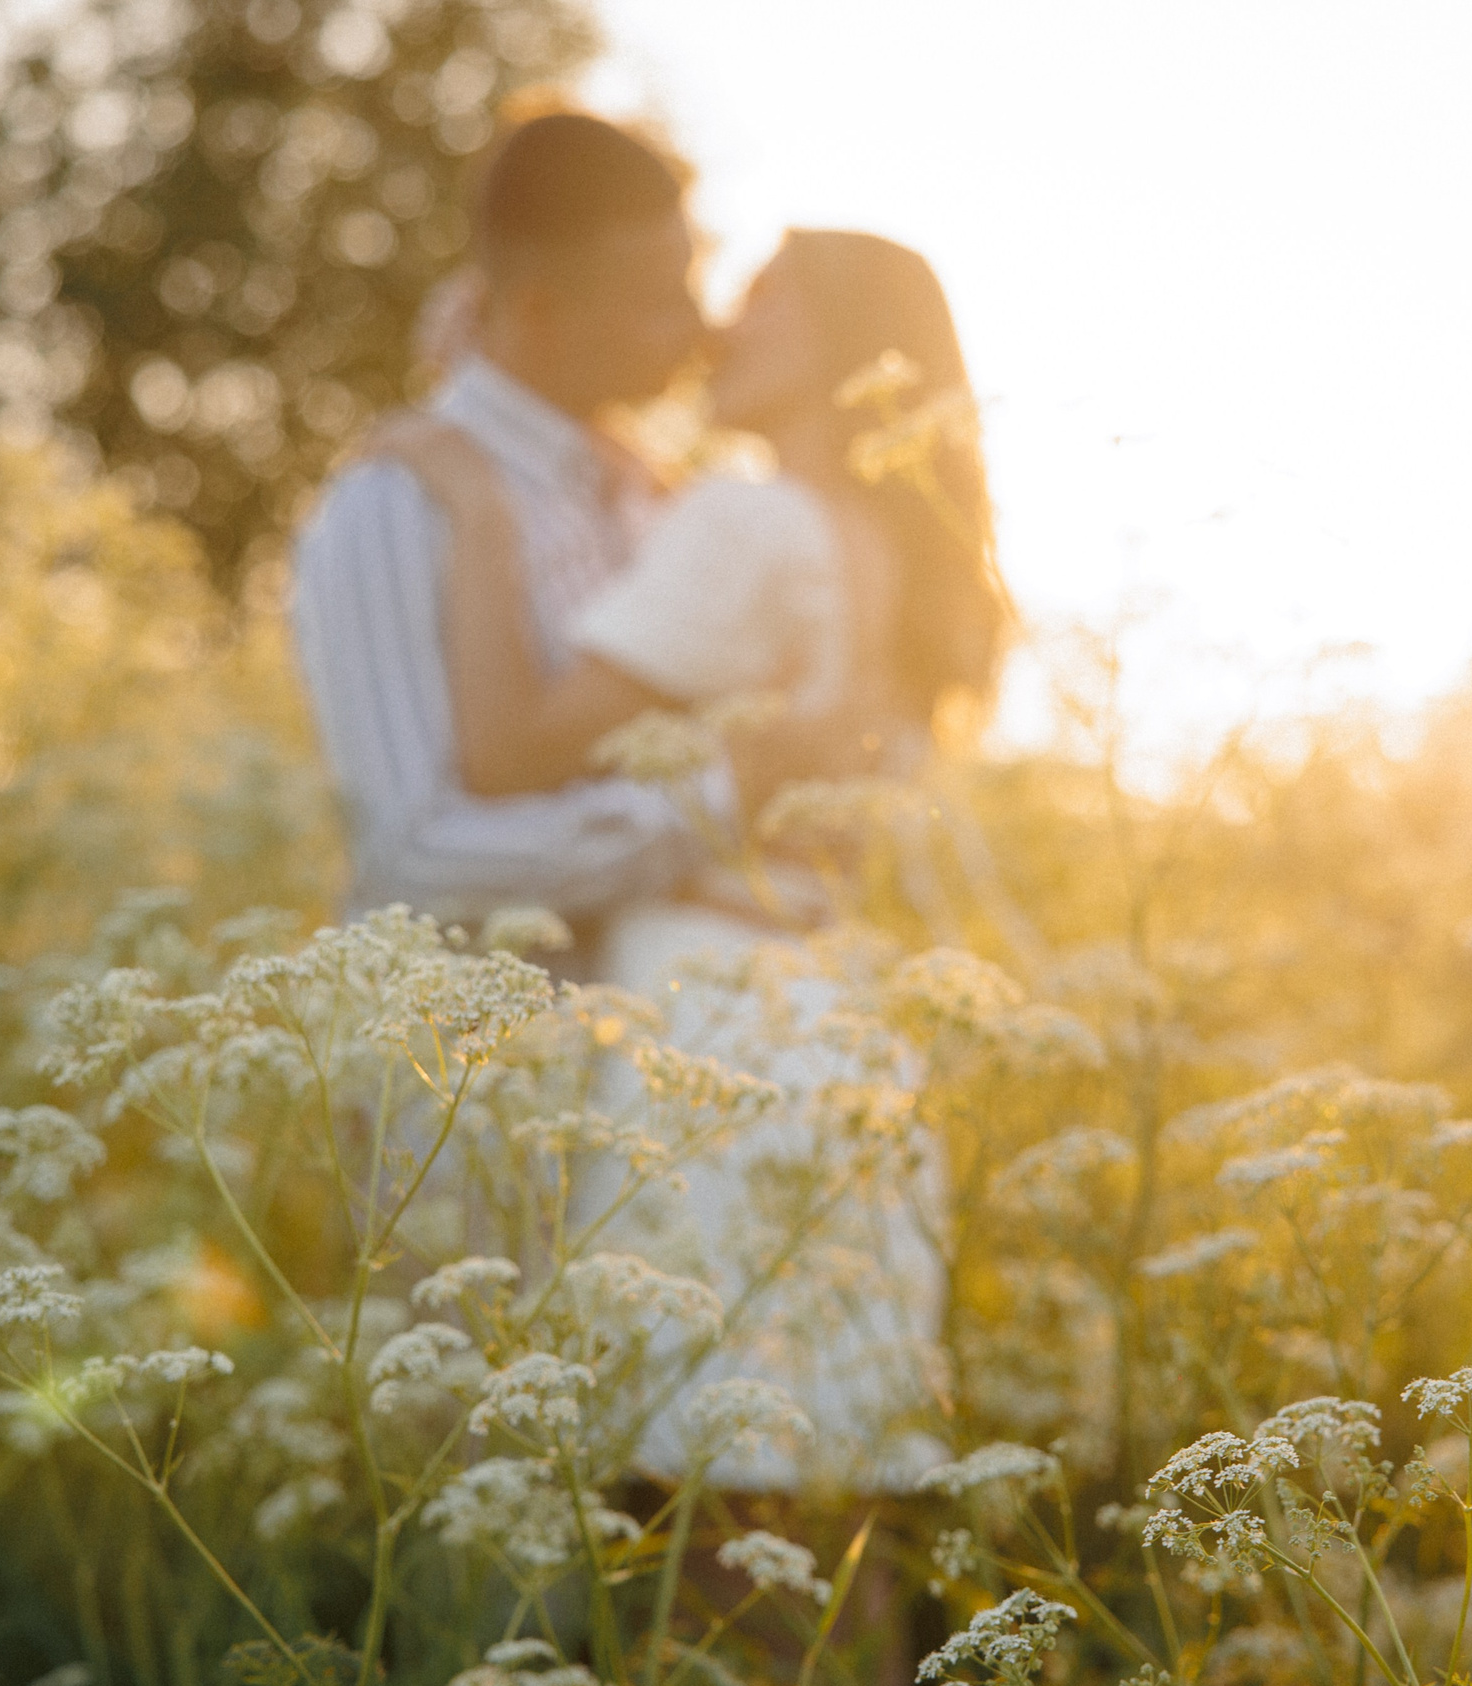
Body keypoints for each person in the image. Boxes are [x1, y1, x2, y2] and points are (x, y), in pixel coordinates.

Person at [434, 227, 1012, 1493]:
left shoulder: (748, 520)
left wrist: (472, 498)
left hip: (702, 1020)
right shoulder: (911, 561)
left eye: (765, 303)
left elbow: (507, 749)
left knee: (692, 1530)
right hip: (845, 1033)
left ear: (842, 350)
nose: (721, 328)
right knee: (819, 1526)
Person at [289, 111, 876, 947]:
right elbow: (414, 860)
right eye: (664, 303)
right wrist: (713, 804)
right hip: (470, 1067)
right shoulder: (397, 503)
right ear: (540, 313)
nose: (705, 330)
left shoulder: (645, 495)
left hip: (657, 1036)